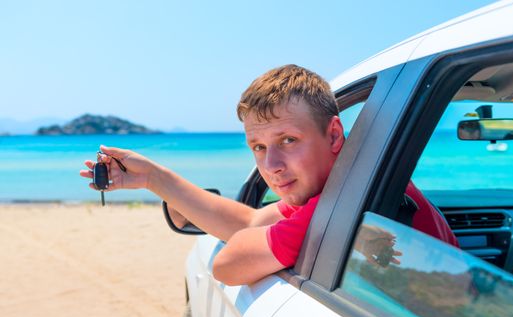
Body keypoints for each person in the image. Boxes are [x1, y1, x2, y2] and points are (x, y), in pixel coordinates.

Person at [80, 65, 456, 286]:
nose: (271, 165)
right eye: (258, 147)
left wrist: (259, 242)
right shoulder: (355, 185)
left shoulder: (339, 208)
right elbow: (251, 220)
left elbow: (227, 265)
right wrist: (152, 178)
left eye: (288, 140)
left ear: (335, 135)